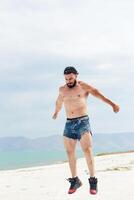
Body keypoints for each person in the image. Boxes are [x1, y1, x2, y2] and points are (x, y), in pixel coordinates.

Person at [52, 66, 120, 195]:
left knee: (87, 150)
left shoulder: (83, 86)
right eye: (66, 79)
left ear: (76, 76)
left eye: (71, 78)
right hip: (69, 123)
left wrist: (113, 104)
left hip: (83, 121)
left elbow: (98, 94)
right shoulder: (62, 90)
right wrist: (56, 112)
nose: (68, 81)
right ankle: (75, 181)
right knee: (69, 152)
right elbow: (59, 102)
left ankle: (93, 181)